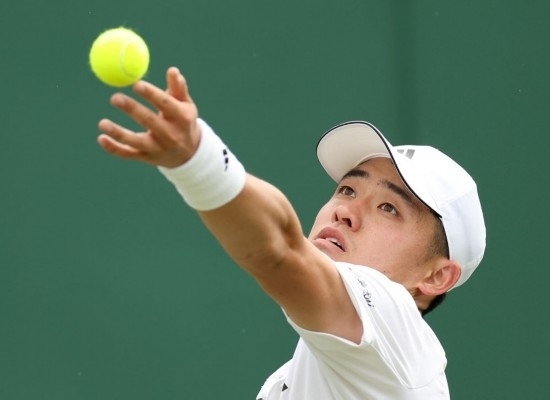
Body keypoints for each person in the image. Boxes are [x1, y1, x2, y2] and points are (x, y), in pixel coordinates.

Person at [97, 67, 486, 399]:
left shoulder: (394, 326)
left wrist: (198, 162)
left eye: (389, 208)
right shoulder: (294, 377)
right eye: (347, 190)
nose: (346, 211)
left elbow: (280, 251)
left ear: (437, 276)